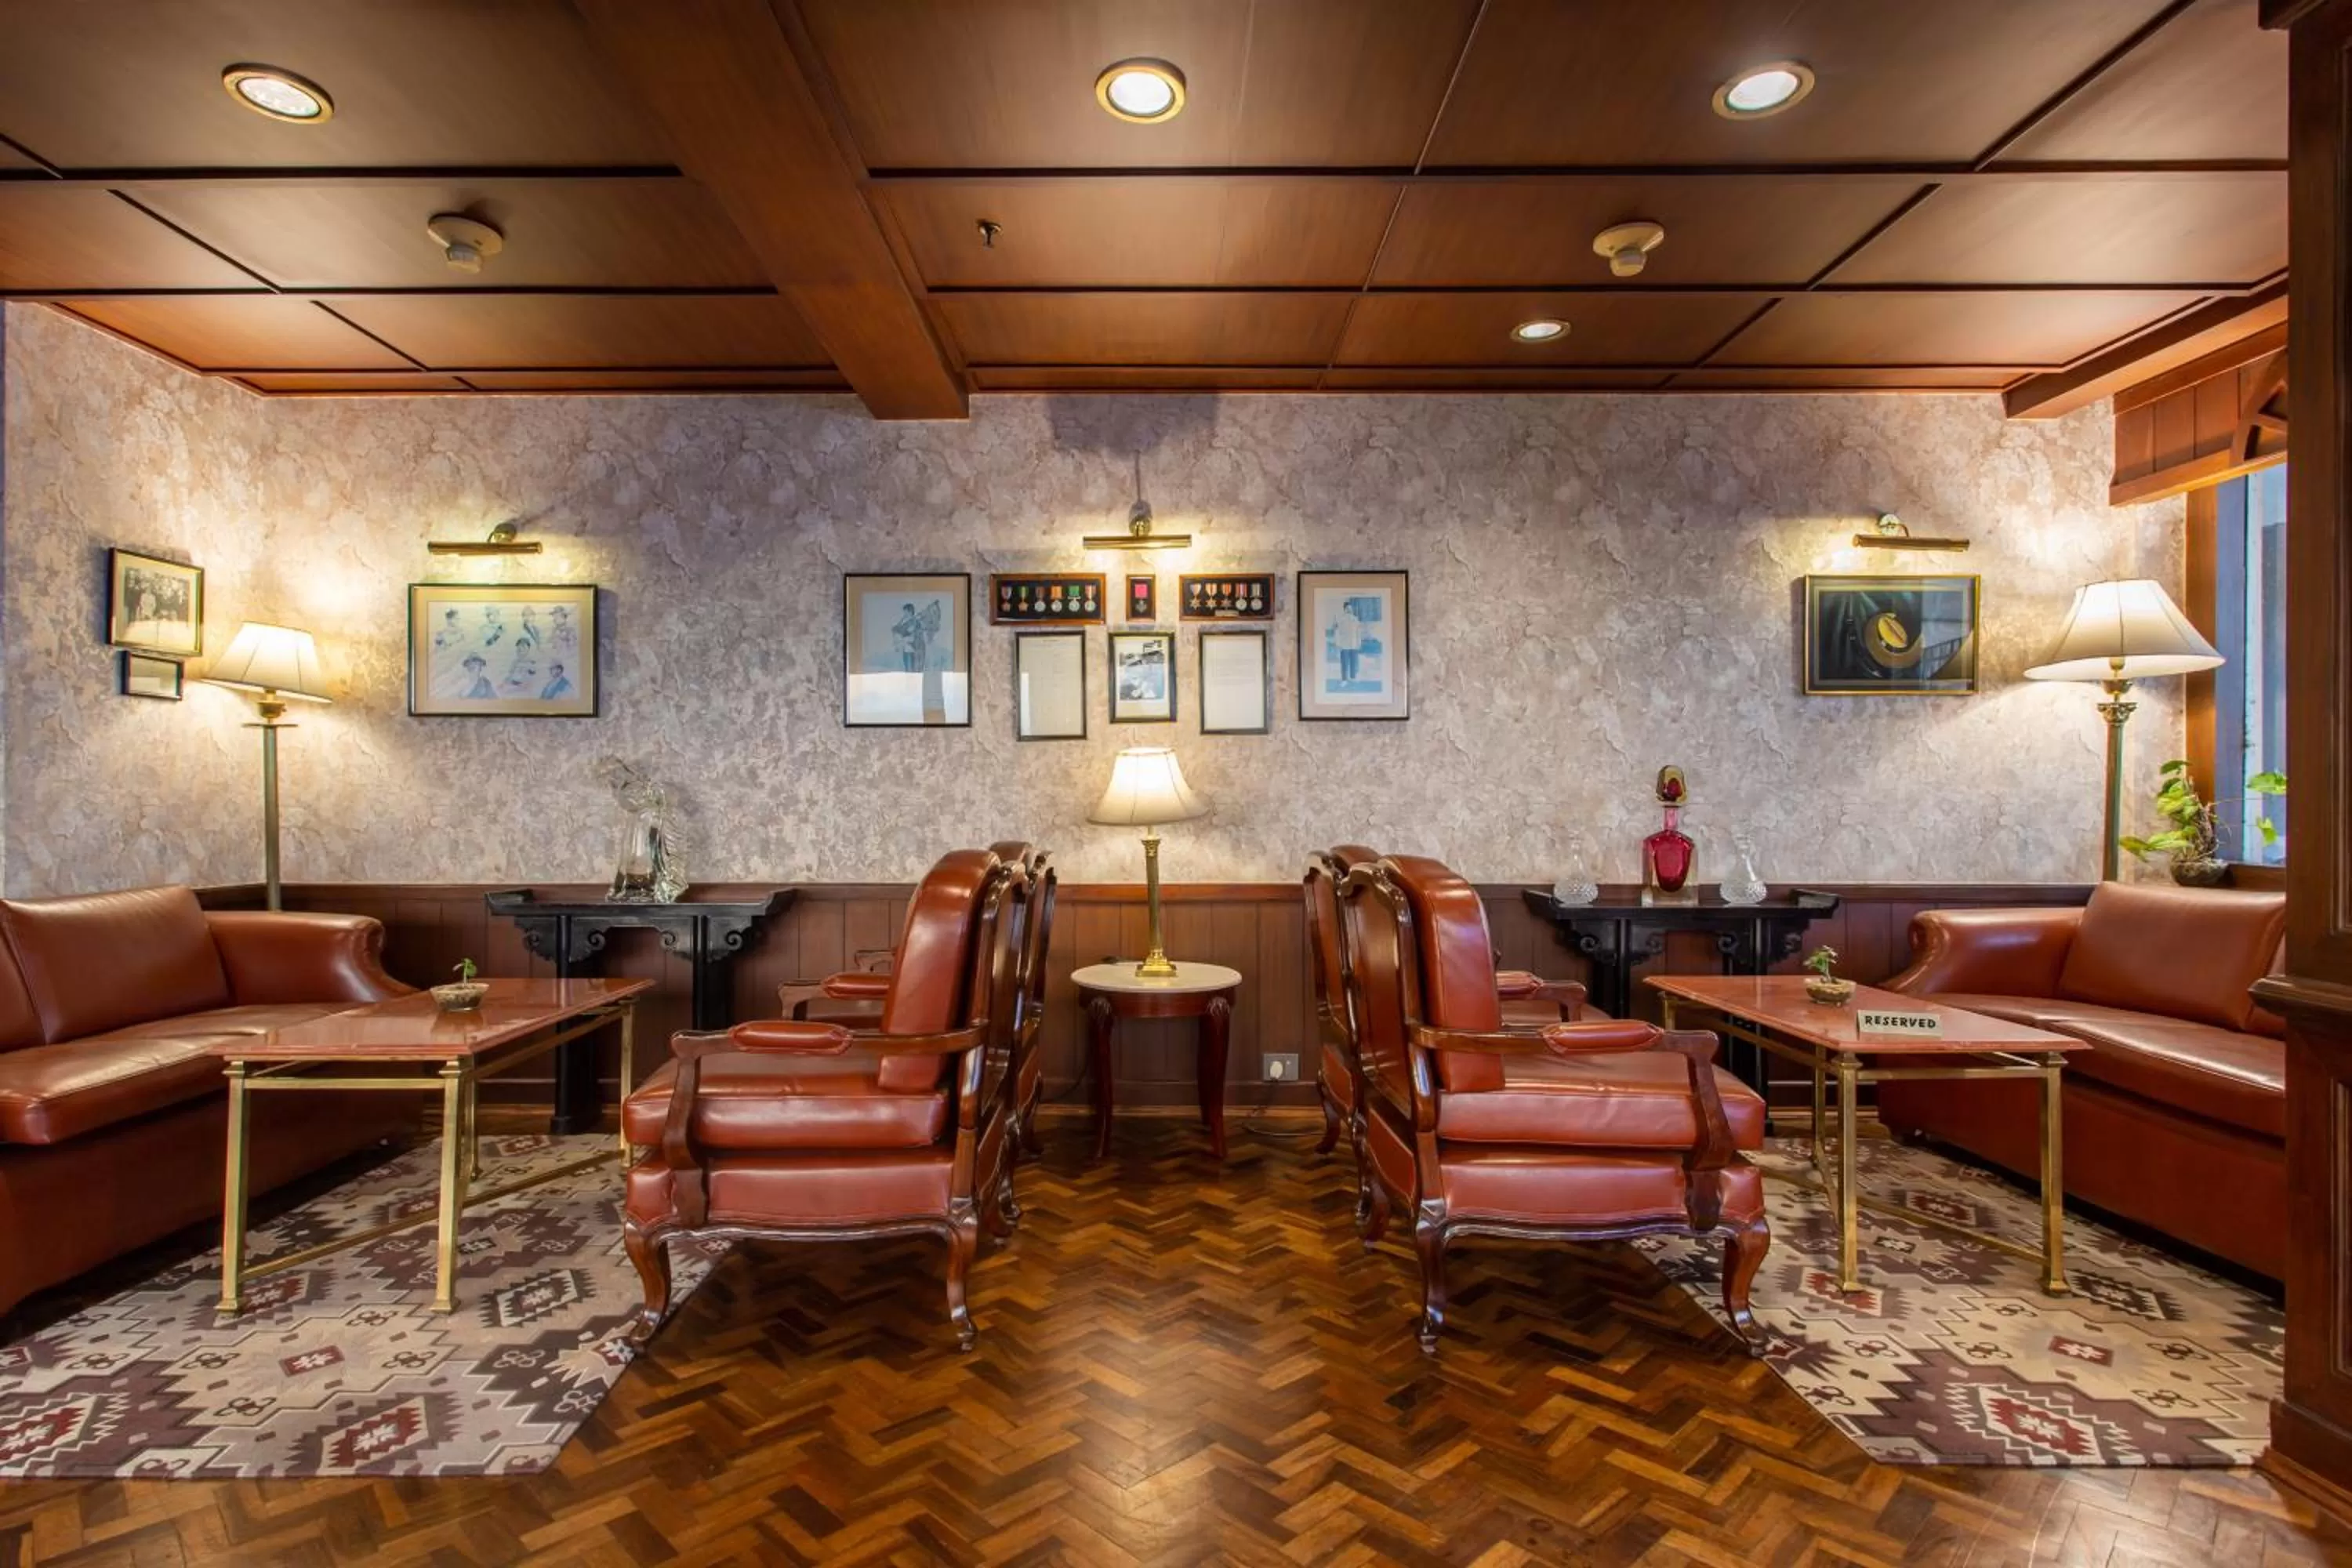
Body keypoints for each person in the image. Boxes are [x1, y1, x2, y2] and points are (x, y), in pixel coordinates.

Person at [1330, 601, 1365, 685]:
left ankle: (1353, 678)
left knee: (1353, 662)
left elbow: (1358, 632)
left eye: (1350, 608)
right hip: (1344, 645)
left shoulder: (1355, 619)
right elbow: (1336, 630)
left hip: (1354, 644)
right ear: (1344, 609)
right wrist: (1337, 643)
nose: (1349, 610)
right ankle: (1344, 680)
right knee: (1344, 663)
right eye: (1347, 608)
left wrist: (1359, 643)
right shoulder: (1341, 619)